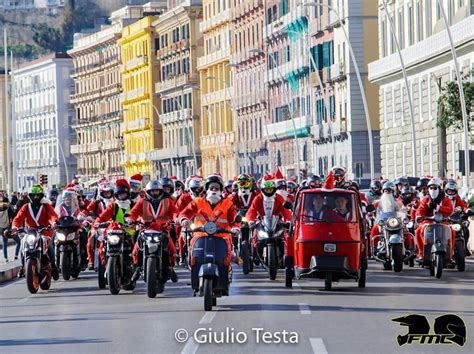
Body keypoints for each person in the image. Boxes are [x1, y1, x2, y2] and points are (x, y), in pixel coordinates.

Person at [179, 174, 241, 266]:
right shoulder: (197, 201)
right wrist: (184, 220)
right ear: (206, 189)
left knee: (227, 259)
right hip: (200, 235)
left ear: (221, 190)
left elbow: (234, 218)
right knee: (193, 255)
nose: (214, 190)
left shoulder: (228, 203)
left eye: (216, 188)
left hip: (222, 236)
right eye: (211, 188)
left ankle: (227, 270)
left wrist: (235, 228)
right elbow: (186, 212)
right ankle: (190, 263)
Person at [128, 180, 178, 282]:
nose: (154, 193)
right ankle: (137, 267)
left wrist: (176, 218)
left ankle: (170, 268)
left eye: (157, 191)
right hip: (146, 229)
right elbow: (134, 212)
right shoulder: (142, 201)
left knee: (172, 248)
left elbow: (174, 212)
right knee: (135, 248)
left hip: (163, 229)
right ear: (148, 192)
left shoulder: (167, 201)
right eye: (152, 191)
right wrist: (131, 219)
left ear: (161, 191)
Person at [11, 185, 59, 279]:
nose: (36, 197)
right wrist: (15, 227)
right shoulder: (25, 207)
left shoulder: (46, 206)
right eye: (33, 195)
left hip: (45, 231)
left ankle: (53, 266)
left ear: (42, 196)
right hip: (30, 232)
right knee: (22, 244)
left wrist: (54, 222)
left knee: (49, 246)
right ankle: (23, 266)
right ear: (30, 196)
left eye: (38, 195)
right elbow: (18, 218)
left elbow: (52, 215)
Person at [246, 177, 292, 258]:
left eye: (270, 189)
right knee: (255, 235)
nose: (269, 191)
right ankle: (255, 253)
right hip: (262, 222)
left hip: (276, 221)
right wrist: (251, 221)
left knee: (285, 235)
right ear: (263, 190)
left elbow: (285, 211)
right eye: (266, 190)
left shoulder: (279, 198)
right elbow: (251, 211)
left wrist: (288, 221)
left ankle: (286, 254)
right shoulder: (258, 198)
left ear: (274, 189)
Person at [415, 178, 454, 261]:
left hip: (443, 221)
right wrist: (419, 216)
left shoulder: (445, 200)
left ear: (440, 188)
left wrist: (438, 207)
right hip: (428, 221)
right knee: (418, 231)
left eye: (435, 188)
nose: (433, 190)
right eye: (431, 188)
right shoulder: (425, 200)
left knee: (452, 232)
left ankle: (450, 254)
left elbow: (450, 210)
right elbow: (420, 210)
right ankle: (422, 254)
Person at [1, 198, 18, 262]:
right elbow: (14, 216)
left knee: (4, 244)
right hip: (8, 229)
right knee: (18, 242)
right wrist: (16, 210)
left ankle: (6, 258)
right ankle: (16, 255)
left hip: (2, 229)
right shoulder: (8, 209)